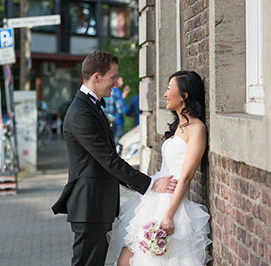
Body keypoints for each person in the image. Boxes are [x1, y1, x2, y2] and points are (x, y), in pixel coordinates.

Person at [51, 51, 177, 266]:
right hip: (89, 205)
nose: (116, 84)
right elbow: (109, 160)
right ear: (96, 77)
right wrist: (150, 185)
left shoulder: (92, 106)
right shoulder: (81, 112)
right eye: (113, 78)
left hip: (97, 205)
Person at [108, 71, 212, 265]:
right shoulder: (177, 127)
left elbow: (187, 176)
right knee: (126, 260)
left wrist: (169, 215)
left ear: (184, 95)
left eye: (169, 88)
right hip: (153, 200)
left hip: (172, 205)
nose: (165, 93)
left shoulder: (197, 128)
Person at [102, 75, 130, 144]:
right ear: (116, 81)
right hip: (116, 123)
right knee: (117, 146)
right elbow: (122, 110)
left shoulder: (103, 90)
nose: (122, 83)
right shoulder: (116, 92)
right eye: (121, 80)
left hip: (103, 122)